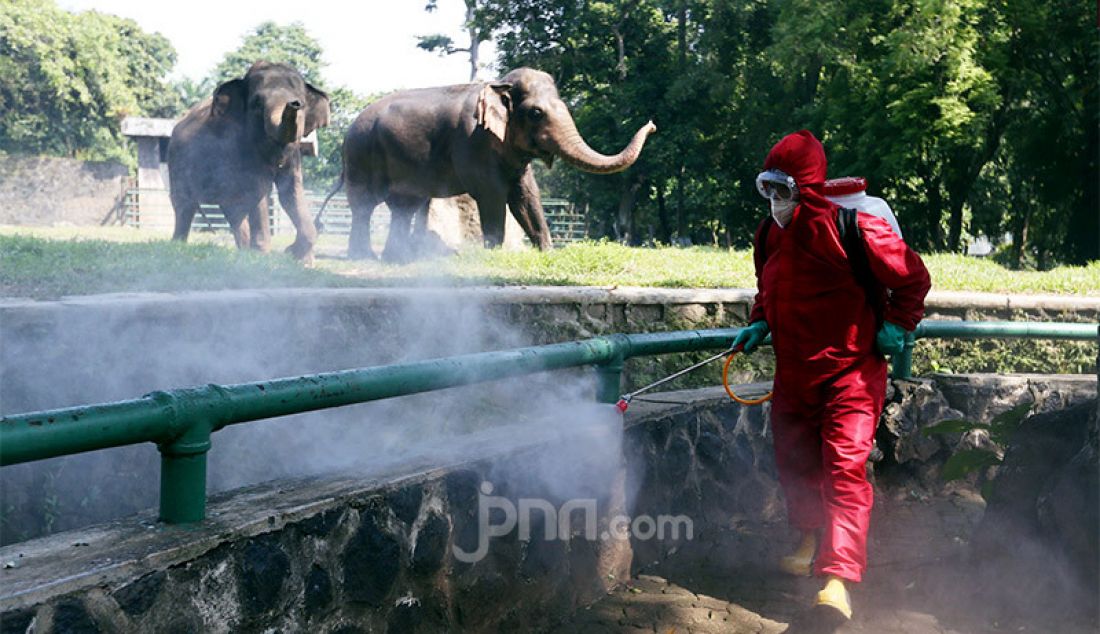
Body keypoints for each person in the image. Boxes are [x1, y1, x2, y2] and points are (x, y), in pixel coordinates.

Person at [732, 130, 931, 620]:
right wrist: (760, 320)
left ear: (808, 187)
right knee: (795, 462)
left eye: (783, 190)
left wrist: (897, 325)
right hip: (794, 377)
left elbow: (913, 277)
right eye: (768, 189)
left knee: (843, 471)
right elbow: (768, 284)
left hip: (851, 375)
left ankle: (837, 577)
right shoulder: (770, 234)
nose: (775, 201)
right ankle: (808, 535)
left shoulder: (855, 228)